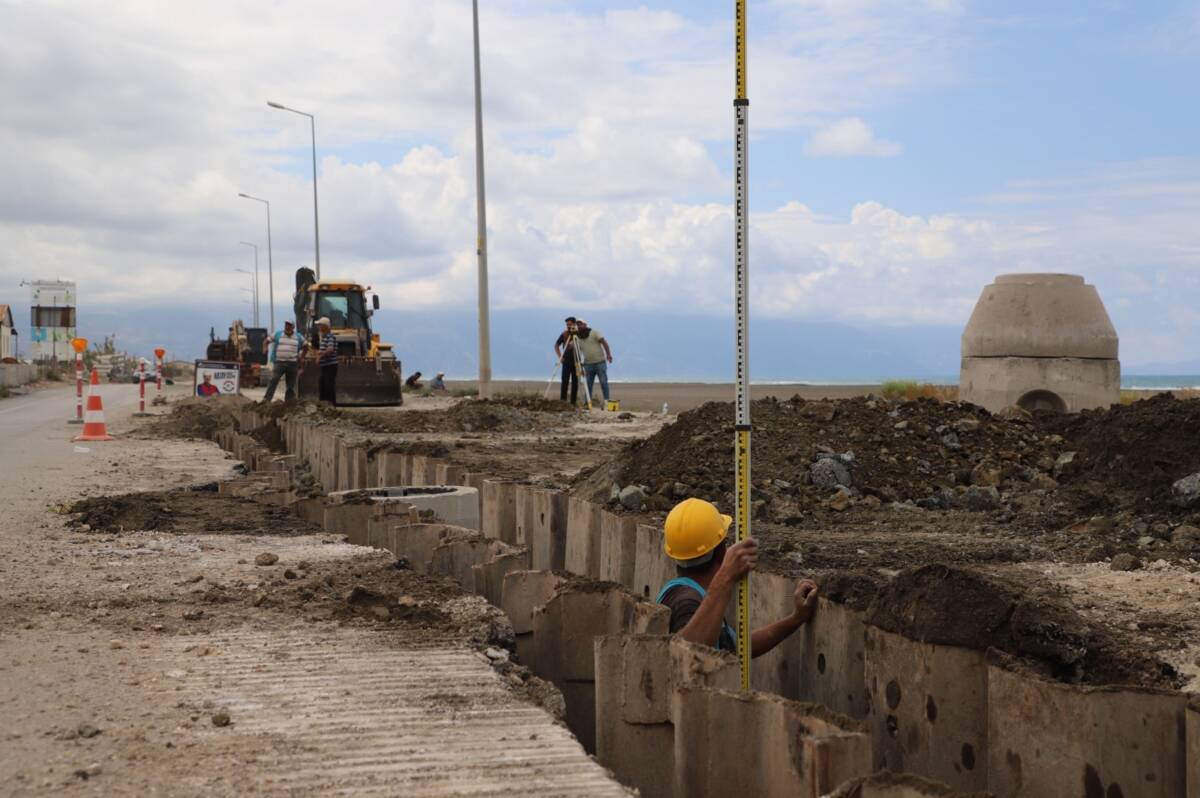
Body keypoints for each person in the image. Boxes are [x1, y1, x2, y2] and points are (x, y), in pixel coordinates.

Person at [657, 498, 819, 657]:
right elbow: (688, 654)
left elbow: (737, 647)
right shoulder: (686, 601)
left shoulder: (695, 597)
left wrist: (796, 618)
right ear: (721, 552)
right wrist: (725, 578)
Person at [262, 320, 305, 402]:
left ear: (293, 327)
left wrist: (302, 356)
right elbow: (266, 341)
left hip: (292, 363)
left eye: (289, 325)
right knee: (274, 379)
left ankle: (289, 401)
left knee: (290, 384)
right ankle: (267, 399)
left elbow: (305, 346)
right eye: (286, 325)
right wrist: (265, 348)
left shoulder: (298, 337)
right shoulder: (277, 334)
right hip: (279, 362)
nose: (287, 326)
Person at [574, 319, 613, 404]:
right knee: (588, 384)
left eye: (581, 324)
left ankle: (607, 401)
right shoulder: (577, 337)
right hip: (588, 364)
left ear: (585, 324)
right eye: (578, 325)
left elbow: (604, 342)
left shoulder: (594, 332)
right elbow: (574, 349)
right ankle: (588, 403)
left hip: (600, 362)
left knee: (603, 382)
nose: (579, 326)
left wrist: (608, 354)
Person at [554, 317, 580, 405]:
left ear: (574, 324)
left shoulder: (579, 334)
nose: (568, 326)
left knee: (575, 383)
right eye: (567, 325)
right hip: (566, 361)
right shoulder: (565, 334)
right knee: (564, 381)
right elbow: (556, 345)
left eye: (570, 324)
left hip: (577, 361)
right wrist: (560, 356)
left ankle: (573, 403)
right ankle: (563, 401)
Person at [317, 317, 338, 404]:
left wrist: (320, 357)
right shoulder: (324, 337)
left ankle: (330, 405)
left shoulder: (330, 337)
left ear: (325, 326)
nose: (318, 327)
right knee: (323, 384)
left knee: (328, 385)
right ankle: (324, 404)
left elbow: (330, 349)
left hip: (330, 366)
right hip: (325, 366)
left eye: (320, 325)